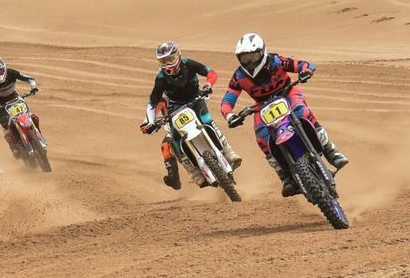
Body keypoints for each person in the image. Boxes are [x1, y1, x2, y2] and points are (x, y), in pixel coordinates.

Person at [220, 33, 347, 198]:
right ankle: (285, 176)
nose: (250, 62)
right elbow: (227, 101)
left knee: (303, 112)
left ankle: (331, 151)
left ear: (262, 52)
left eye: (253, 56)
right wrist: (230, 116)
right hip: (262, 106)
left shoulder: (276, 61)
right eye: (245, 58)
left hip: (288, 94)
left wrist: (306, 71)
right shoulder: (239, 77)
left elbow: (304, 64)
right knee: (261, 137)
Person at [141, 41, 242, 190]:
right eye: (163, 61)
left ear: (178, 56)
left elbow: (210, 72)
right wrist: (149, 122)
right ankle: (195, 173)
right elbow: (152, 103)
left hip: (195, 99)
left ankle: (229, 152)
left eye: (170, 59)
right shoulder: (161, 78)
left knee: (208, 121)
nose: (167, 64)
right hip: (176, 108)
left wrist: (208, 85)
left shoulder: (188, 64)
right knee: (175, 141)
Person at [0, 56, 39, 159]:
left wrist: (33, 87)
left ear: (5, 68)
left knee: (30, 116)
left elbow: (30, 78)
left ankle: (37, 134)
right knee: (5, 124)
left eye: (1, 71)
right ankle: (13, 147)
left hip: (14, 97)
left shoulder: (11, 73)